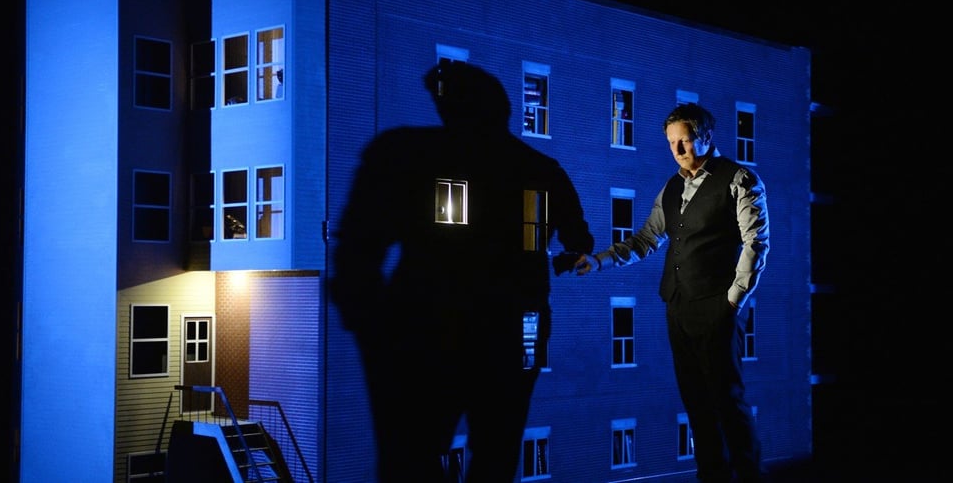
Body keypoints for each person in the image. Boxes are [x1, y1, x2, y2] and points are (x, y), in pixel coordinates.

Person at [330, 60, 594, 483]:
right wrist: (561, 256)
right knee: (497, 450)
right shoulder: (540, 170)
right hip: (517, 326)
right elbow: (578, 240)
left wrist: (371, 324)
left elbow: (359, 249)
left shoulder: (406, 153)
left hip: (430, 322)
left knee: (410, 451)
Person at [574, 102, 769, 483]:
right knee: (696, 405)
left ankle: (749, 477)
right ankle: (712, 477)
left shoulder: (739, 180)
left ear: (707, 137)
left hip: (718, 307)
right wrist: (599, 261)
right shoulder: (672, 186)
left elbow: (756, 243)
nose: (678, 150)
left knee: (727, 402)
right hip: (678, 307)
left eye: (686, 140)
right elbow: (647, 238)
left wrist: (733, 299)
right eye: (672, 142)